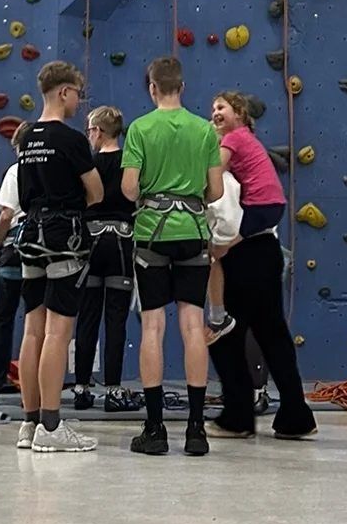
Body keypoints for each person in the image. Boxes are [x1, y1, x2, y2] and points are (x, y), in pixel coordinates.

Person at [122, 54, 224, 458]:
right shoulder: (204, 131)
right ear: (182, 87)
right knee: (192, 325)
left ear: (152, 88)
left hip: (152, 235)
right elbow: (214, 192)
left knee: (153, 328)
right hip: (194, 234)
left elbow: (130, 189)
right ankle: (196, 430)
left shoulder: (141, 129)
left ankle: (154, 429)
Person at [205, 92, 316, 440]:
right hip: (266, 246)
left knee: (224, 336)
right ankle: (296, 413)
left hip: (248, 252)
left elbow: (215, 186)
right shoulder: (250, 145)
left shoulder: (232, 146)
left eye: (220, 107)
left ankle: (238, 415)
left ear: (240, 112)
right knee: (273, 335)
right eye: (213, 109)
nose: (214, 113)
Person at [16, 61, 104, 453]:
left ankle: (29, 422)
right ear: (64, 92)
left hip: (30, 235)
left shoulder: (26, 138)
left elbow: (21, 196)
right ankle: (51, 427)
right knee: (57, 331)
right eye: (78, 94)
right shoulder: (70, 140)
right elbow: (97, 192)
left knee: (32, 329)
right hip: (64, 236)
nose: (79, 103)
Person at [73, 106, 140, 411]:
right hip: (122, 243)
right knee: (116, 320)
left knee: (87, 317)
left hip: (90, 242)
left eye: (90, 130)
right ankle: (113, 388)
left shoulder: (88, 163)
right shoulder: (130, 162)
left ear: (98, 131)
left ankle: (82, 387)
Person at [0, 122, 26, 402]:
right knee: (39, 320)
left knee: (3, 317)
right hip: (43, 248)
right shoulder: (50, 169)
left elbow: (5, 215)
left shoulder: (15, 171)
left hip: (15, 246)